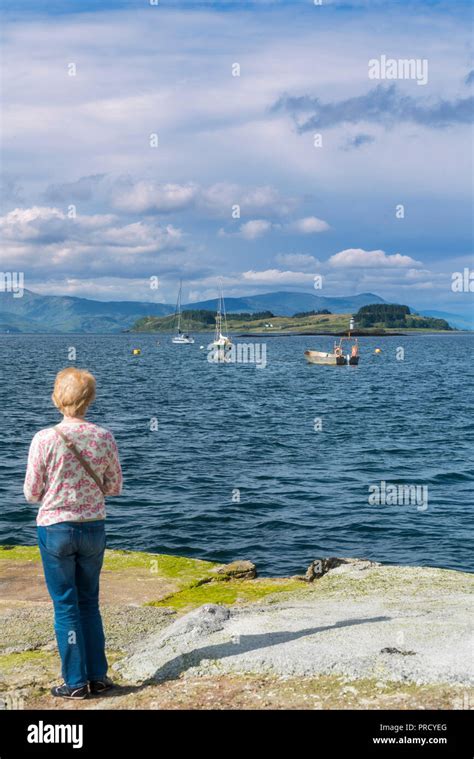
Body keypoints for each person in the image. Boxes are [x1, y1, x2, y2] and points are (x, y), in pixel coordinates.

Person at [23, 367, 123, 700]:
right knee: (89, 604)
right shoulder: (104, 436)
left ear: (57, 398)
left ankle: (76, 682)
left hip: (56, 529)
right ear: (89, 400)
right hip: (93, 527)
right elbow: (114, 486)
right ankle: (98, 676)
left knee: (66, 606)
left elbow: (32, 493)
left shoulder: (44, 438)